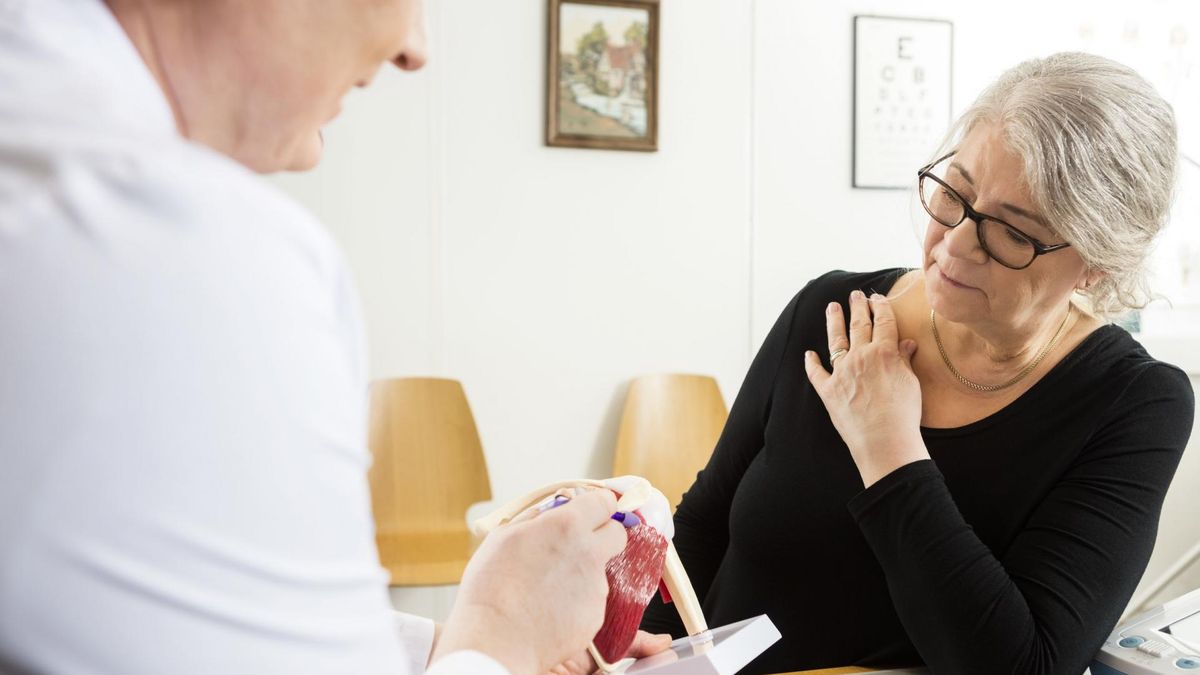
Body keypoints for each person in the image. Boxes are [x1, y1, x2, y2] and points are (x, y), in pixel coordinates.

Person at [0, 0, 669, 673]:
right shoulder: (168, 240)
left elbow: (179, 619)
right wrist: (503, 628)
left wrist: (454, 644)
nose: (413, 48)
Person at [641, 52, 1195, 674]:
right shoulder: (830, 310)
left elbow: (1025, 666)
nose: (954, 243)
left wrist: (889, 447)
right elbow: (702, 528)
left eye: (1012, 233)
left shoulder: (1134, 402)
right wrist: (636, 657)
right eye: (954, 194)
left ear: (1097, 263)